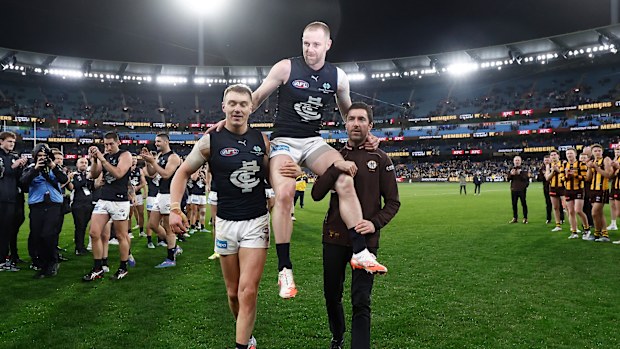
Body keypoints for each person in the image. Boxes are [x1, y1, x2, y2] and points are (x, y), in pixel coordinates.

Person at [209, 21, 382, 299]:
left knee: (345, 180)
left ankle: (360, 250)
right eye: (305, 43)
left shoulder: (338, 77)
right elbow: (256, 97)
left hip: (313, 141)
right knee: (286, 193)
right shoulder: (286, 68)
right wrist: (231, 117)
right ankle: (284, 268)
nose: (309, 49)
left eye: (315, 44)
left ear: (327, 45)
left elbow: (348, 113)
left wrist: (366, 132)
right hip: (284, 142)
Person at [169, 84, 299, 349]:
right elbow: (181, 173)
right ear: (224, 107)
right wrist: (173, 208)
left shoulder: (262, 141)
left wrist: (290, 172)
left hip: (256, 221)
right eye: (233, 103)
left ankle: (241, 345)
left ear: (251, 108)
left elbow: (273, 175)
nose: (238, 108)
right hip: (226, 224)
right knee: (233, 293)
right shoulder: (210, 140)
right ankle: (247, 336)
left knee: (248, 290)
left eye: (243, 104)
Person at [311, 102, 400, 349]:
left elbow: (393, 202)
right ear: (345, 123)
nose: (356, 123)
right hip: (334, 237)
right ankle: (337, 337)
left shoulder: (381, 159)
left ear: (370, 126)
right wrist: (334, 167)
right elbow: (316, 193)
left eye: (362, 119)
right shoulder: (335, 156)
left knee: (361, 300)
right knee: (332, 295)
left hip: (366, 242)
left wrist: (374, 224)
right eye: (352, 119)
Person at [82, 132, 133, 281]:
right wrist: (95, 160)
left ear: (118, 143)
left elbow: (118, 173)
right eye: (105, 144)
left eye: (111, 144)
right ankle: (98, 268)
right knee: (94, 233)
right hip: (104, 198)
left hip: (119, 200)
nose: (108, 147)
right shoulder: (106, 156)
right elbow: (94, 174)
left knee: (121, 236)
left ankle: (123, 268)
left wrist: (103, 158)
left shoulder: (125, 155)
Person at [20, 143, 68, 278]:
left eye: (44, 155)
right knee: (37, 235)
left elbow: (64, 179)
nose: (42, 158)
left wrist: (52, 166)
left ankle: (52, 262)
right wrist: (36, 169)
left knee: (48, 234)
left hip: (53, 204)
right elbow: (23, 183)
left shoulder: (55, 167)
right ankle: (42, 264)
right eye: (39, 155)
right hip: (37, 204)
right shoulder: (30, 168)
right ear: (35, 156)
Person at [141, 133, 182, 268]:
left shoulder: (174, 157)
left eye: (159, 141)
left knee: (168, 228)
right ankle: (174, 246)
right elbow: (152, 173)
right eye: (156, 141)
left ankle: (171, 258)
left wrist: (153, 162)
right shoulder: (159, 156)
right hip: (160, 194)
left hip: (170, 194)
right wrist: (148, 160)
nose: (156, 143)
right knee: (152, 224)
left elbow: (165, 174)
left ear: (166, 142)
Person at [0, 131, 28, 271]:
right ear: (1, 141)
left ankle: (7, 258)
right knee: (2, 230)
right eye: (9, 141)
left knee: (7, 230)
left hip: (12, 199)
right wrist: (14, 166)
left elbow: (19, 179)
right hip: (2, 199)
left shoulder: (13, 157)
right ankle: (2, 261)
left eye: (13, 142)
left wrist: (21, 167)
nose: (11, 144)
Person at [585, 144, 614, 242]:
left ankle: (597, 233)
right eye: (595, 151)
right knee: (599, 213)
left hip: (602, 189)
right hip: (593, 190)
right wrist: (589, 168)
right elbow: (588, 178)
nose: (597, 152)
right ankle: (604, 234)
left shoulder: (606, 160)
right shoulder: (592, 162)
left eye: (599, 150)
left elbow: (609, 175)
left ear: (602, 151)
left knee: (594, 213)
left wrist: (596, 168)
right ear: (592, 153)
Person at [67, 157, 94, 255]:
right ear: (77, 164)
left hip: (89, 203)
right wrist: (86, 178)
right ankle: (79, 248)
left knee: (86, 225)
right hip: (78, 204)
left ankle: (82, 246)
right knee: (80, 226)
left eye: (86, 162)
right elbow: (76, 186)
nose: (84, 164)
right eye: (81, 162)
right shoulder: (74, 175)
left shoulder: (89, 175)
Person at [561, 148, 590, 239]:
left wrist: (575, 175)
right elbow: (561, 178)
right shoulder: (564, 165)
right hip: (568, 190)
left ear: (575, 154)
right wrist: (567, 176)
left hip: (578, 189)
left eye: (571, 153)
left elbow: (585, 178)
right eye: (568, 153)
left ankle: (587, 229)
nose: (569, 155)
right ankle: (574, 231)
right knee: (571, 211)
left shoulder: (581, 164)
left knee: (578, 210)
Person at [545, 150, 565, 232]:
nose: (553, 156)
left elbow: (565, 174)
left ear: (558, 156)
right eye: (552, 155)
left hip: (563, 187)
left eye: (555, 155)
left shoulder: (563, 163)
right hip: (553, 187)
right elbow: (547, 178)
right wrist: (553, 171)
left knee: (566, 207)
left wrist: (558, 170)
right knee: (555, 207)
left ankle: (573, 226)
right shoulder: (548, 165)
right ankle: (558, 225)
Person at [143, 152, 159, 248]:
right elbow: (151, 175)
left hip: (160, 195)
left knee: (161, 220)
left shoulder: (159, 166)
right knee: (150, 220)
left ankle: (160, 238)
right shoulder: (145, 168)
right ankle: (149, 240)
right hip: (152, 196)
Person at [128, 156, 147, 238]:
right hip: (128, 195)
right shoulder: (126, 169)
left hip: (138, 194)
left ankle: (141, 231)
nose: (134, 160)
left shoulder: (139, 170)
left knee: (141, 213)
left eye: (135, 159)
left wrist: (137, 188)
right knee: (129, 214)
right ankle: (129, 232)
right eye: (132, 158)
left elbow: (144, 182)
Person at [507, 156, 529, 224]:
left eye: (518, 160)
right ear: (513, 161)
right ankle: (515, 218)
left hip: (522, 189)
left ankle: (525, 218)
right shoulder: (511, 169)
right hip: (514, 189)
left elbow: (526, 179)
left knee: (523, 204)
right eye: (516, 160)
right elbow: (508, 179)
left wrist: (520, 174)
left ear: (521, 161)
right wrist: (511, 174)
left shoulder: (524, 169)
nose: (517, 162)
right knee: (514, 204)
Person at [608, 147, 620, 232]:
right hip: (614, 185)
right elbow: (611, 176)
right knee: (612, 204)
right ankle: (613, 223)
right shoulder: (615, 160)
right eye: (616, 150)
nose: (617, 152)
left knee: (619, 211)